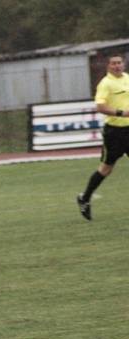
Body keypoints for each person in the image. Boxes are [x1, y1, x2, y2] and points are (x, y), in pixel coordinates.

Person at [77, 54, 129, 221]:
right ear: (108, 66)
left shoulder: (127, 78)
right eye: (113, 63)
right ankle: (85, 198)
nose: (117, 66)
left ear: (124, 64)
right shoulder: (105, 83)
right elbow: (100, 106)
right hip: (114, 132)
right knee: (106, 169)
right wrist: (122, 113)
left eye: (119, 63)